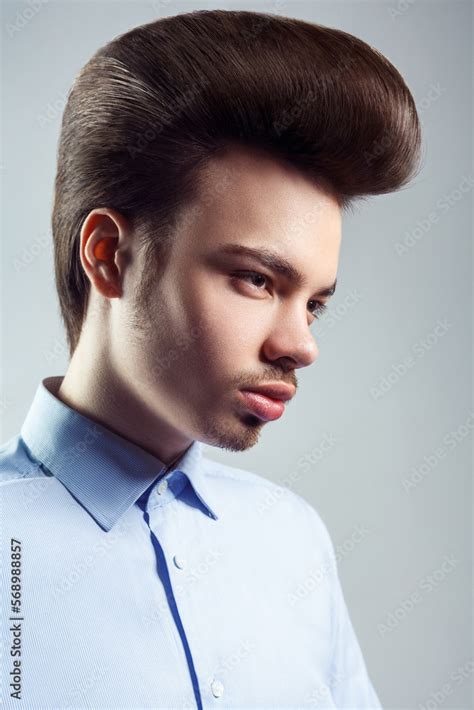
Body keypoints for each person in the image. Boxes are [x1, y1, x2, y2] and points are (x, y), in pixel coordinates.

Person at [1, 9, 421, 708]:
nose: (301, 345)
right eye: (258, 280)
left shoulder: (292, 540)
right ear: (110, 256)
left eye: (314, 303)